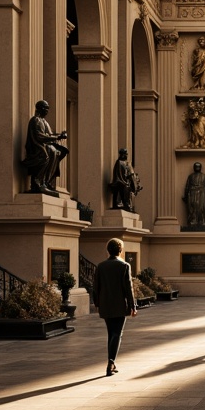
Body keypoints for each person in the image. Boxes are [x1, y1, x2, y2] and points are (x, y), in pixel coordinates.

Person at [92, 238, 136, 376]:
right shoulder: (124, 266)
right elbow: (128, 288)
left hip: (105, 305)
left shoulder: (100, 266)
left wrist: (97, 303)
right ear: (120, 250)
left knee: (111, 333)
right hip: (119, 305)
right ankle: (110, 362)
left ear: (108, 250)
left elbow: (95, 288)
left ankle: (112, 362)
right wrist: (132, 306)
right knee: (117, 333)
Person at [22, 100, 68, 194]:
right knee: (48, 153)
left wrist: (60, 135)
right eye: (45, 108)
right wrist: (58, 137)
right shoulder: (35, 120)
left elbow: (49, 135)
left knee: (58, 152)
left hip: (43, 145)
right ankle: (37, 183)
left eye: (47, 108)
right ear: (40, 109)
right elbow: (40, 136)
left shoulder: (45, 122)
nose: (47, 110)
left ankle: (46, 182)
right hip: (36, 147)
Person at [109, 148, 140, 213]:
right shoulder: (119, 163)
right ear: (123, 155)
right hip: (119, 181)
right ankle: (126, 204)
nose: (126, 156)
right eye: (126, 154)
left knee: (127, 187)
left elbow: (125, 174)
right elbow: (120, 175)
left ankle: (127, 205)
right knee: (126, 187)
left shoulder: (124, 163)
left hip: (122, 181)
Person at [183, 161, 205, 226]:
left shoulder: (204, 176)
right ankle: (193, 221)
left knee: (201, 208)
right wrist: (186, 196)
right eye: (196, 166)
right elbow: (187, 187)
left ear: (200, 168)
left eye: (198, 167)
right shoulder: (190, 176)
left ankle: (201, 221)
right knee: (192, 208)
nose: (197, 168)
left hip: (202, 194)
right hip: (192, 194)